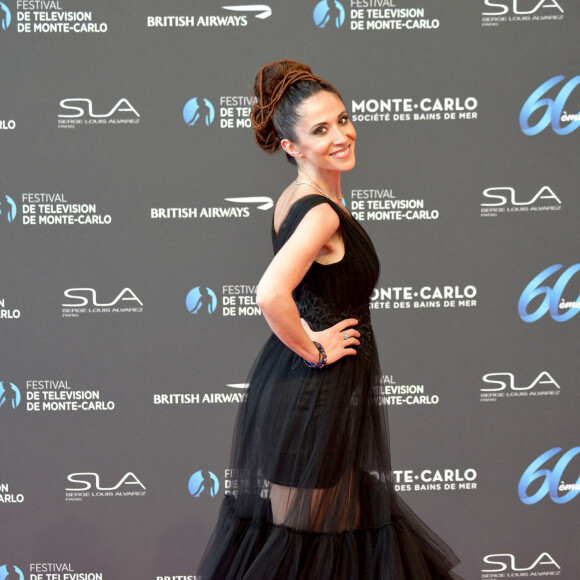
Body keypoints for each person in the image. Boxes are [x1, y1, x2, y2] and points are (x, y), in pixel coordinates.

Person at [198, 60, 462, 579]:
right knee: (302, 556)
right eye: (320, 130)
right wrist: (316, 348)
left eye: (342, 119)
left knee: (316, 550)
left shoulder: (300, 198)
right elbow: (271, 293)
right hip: (311, 402)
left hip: (312, 397)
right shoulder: (319, 212)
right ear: (291, 146)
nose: (341, 135)